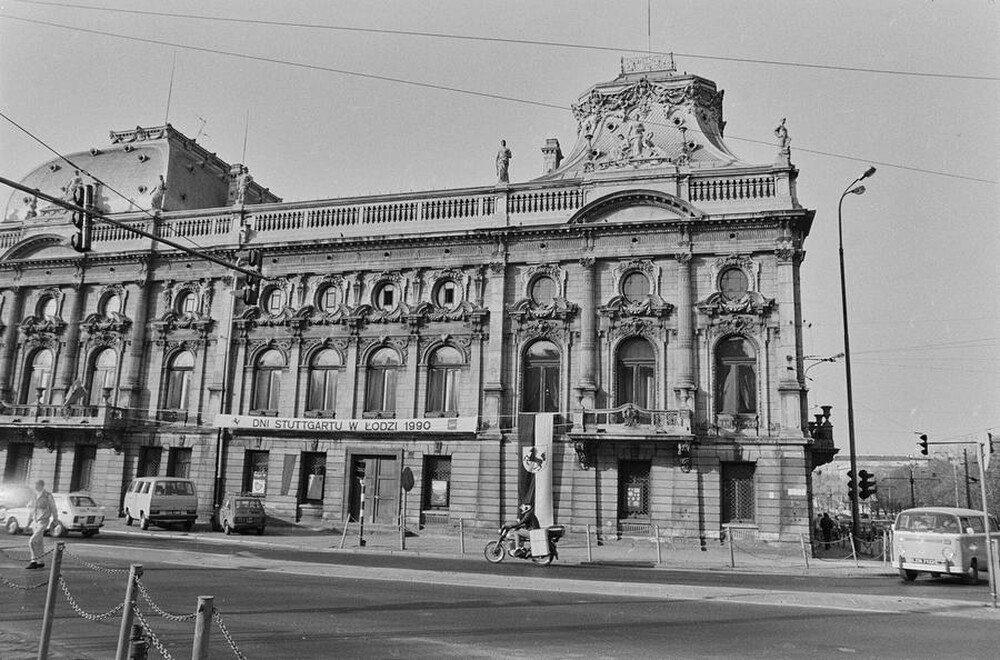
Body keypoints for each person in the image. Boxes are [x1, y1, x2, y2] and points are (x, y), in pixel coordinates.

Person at [26, 480, 58, 569]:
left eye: (37, 485)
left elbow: (53, 508)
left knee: (32, 541)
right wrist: (28, 523)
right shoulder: (34, 495)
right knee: (39, 542)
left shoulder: (48, 496)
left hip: (43, 521)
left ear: (41, 486)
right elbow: (31, 510)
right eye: (35, 485)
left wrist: (55, 519)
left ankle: (33, 561)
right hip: (35, 522)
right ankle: (41, 562)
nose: (35, 487)